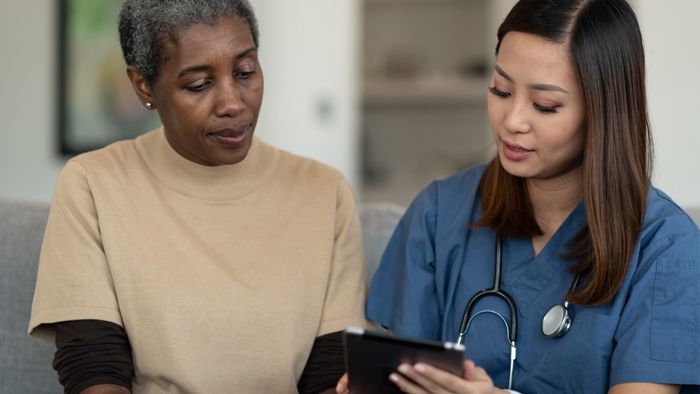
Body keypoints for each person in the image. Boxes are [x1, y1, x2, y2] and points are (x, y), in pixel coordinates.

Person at [337, 0, 700, 393]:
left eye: (545, 106)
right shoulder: (440, 213)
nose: (512, 121)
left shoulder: (664, 248)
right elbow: (398, 374)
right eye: (500, 89)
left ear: (604, 110)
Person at [29, 1, 368, 393]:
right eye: (199, 85)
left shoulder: (324, 192)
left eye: (245, 72)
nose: (232, 103)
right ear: (144, 86)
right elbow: (94, 369)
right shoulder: (92, 184)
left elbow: (331, 374)